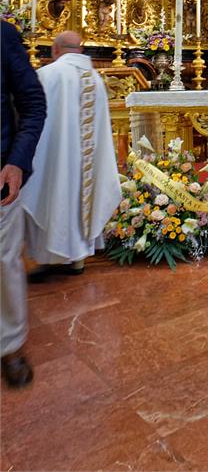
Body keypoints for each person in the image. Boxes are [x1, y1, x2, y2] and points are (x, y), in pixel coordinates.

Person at [22, 32, 121, 281]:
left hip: (55, 159)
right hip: (85, 161)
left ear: (55, 49)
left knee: (54, 195)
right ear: (80, 49)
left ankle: (51, 258)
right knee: (82, 193)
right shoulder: (96, 79)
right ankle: (77, 258)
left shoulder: (48, 75)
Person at [0, 20, 47, 388]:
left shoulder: (3, 34)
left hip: (1, 169)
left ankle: (10, 344)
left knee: (4, 261)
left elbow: (32, 103)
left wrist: (17, 160)